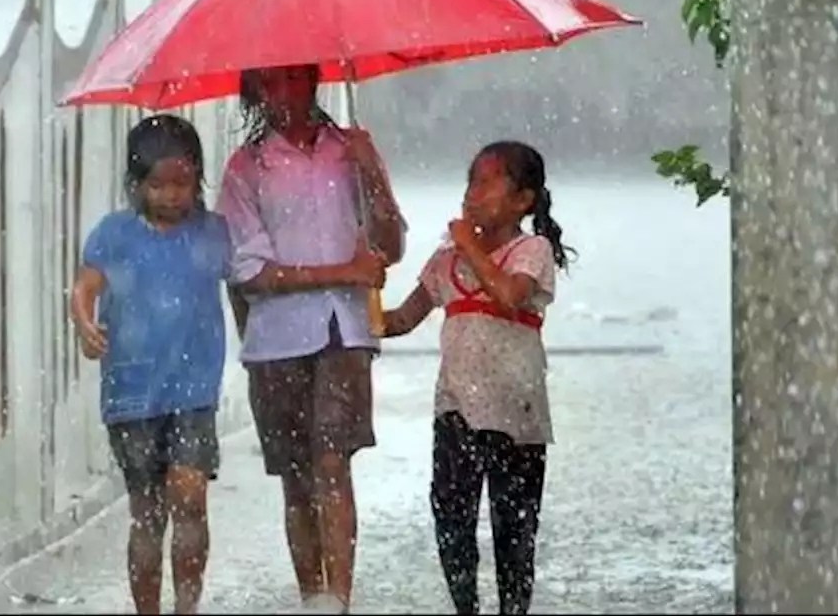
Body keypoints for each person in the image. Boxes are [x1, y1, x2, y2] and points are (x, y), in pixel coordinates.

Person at [216, 64, 405, 613]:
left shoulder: (352, 151)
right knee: (297, 476)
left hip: (343, 333)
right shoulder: (246, 169)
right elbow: (250, 270)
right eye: (270, 84)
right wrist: (339, 273)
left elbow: (389, 245)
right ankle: (311, 595)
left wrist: (371, 173)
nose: (284, 94)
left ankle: (338, 600)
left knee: (332, 463)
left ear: (316, 80)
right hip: (275, 340)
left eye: (294, 79)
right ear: (255, 92)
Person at [381, 140, 572, 615]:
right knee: (452, 519)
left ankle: (513, 609)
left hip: (516, 414)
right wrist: (362, 292)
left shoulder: (532, 249)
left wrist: (468, 242)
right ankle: (465, 607)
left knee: (515, 527)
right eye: (471, 181)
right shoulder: (446, 262)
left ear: (522, 201)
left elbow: (509, 295)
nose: (473, 191)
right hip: (456, 410)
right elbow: (403, 319)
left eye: (487, 182)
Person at [70, 114, 231, 615]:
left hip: (194, 390)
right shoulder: (114, 234)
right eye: (157, 185)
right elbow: (85, 287)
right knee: (147, 512)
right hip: (132, 392)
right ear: (135, 184)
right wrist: (84, 323)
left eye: (182, 183)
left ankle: (187, 605)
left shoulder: (213, 233)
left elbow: (247, 285)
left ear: (198, 180)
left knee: (190, 500)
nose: (171, 195)